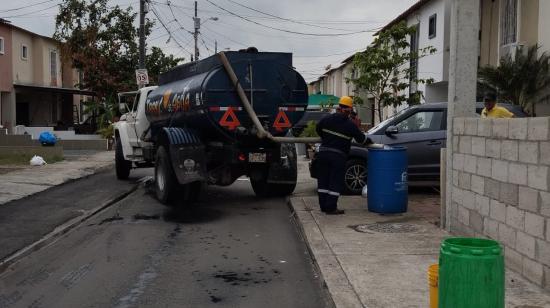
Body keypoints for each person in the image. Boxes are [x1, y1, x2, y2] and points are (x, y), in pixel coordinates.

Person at [315, 96, 372, 215]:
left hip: (323, 154)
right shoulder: (350, 125)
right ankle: (331, 208)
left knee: (323, 182)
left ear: (339, 107)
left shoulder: (326, 119)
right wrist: (368, 139)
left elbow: (318, 129)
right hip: (337, 156)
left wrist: (327, 138)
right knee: (335, 182)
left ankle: (324, 206)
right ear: (349, 110)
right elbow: (362, 139)